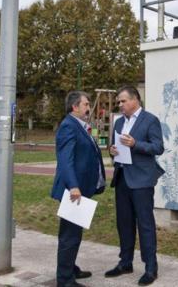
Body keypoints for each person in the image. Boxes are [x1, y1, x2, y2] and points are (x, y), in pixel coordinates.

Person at [105, 85, 165, 286]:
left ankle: (150, 267)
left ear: (135, 100)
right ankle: (125, 262)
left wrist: (135, 144)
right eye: (118, 102)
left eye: (123, 101)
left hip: (141, 180)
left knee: (145, 224)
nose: (120, 105)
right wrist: (112, 151)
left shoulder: (150, 120)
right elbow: (114, 147)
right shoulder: (119, 122)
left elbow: (158, 147)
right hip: (122, 178)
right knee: (124, 222)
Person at [51, 91, 106, 287]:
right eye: (86, 104)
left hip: (81, 189)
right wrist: (73, 186)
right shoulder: (68, 126)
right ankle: (65, 280)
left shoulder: (79, 126)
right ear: (75, 107)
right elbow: (65, 160)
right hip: (74, 191)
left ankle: (69, 268)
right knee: (70, 236)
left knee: (73, 234)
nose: (88, 107)